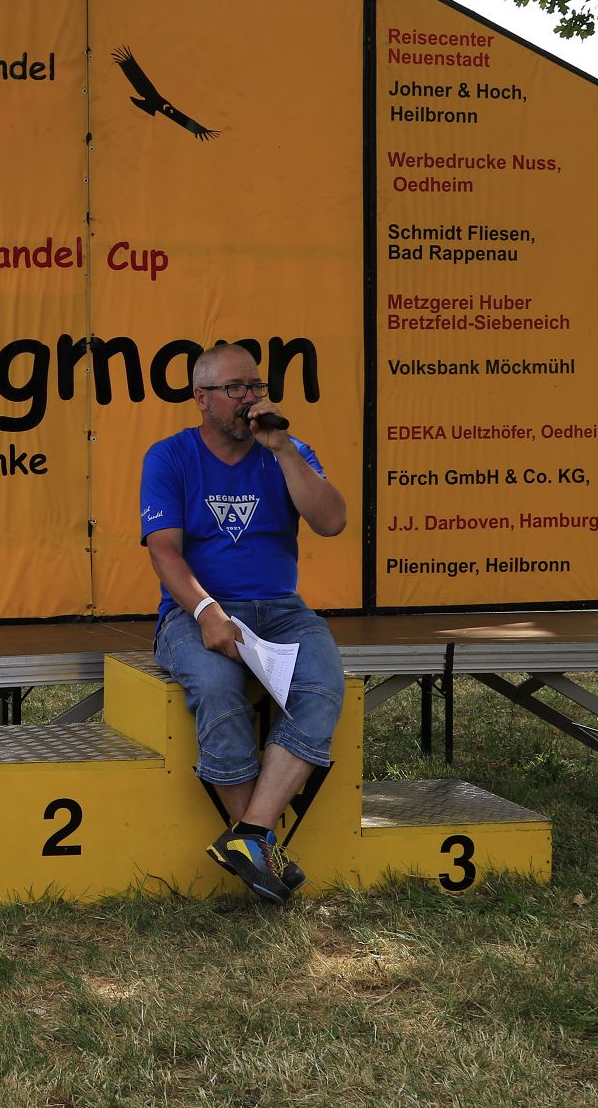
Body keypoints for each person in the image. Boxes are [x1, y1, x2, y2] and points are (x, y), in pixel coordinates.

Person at [139, 342, 347, 904]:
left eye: (255, 386)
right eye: (235, 389)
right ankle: (260, 843)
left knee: (324, 686)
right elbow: (164, 551)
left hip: (281, 609)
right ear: (201, 398)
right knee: (215, 686)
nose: (249, 398)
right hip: (194, 610)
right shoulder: (170, 456)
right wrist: (207, 611)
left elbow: (332, 521)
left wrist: (283, 450)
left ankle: (250, 836)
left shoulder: (288, 451)